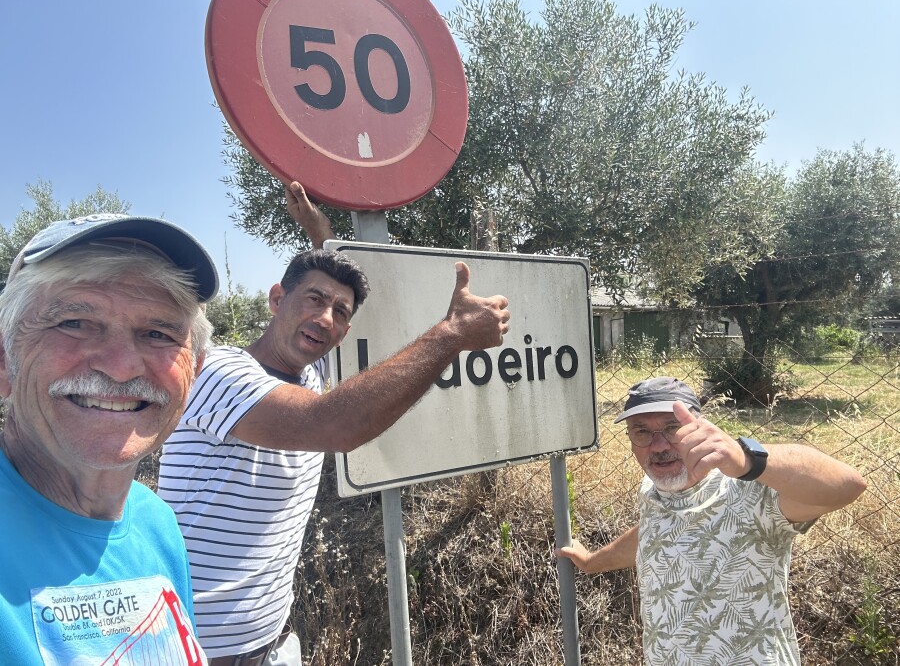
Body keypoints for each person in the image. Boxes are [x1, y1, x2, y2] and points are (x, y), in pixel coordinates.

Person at [157, 181, 511, 664]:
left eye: (339, 312)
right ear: (276, 298)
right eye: (312, 299)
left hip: (270, 636)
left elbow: (336, 310)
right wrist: (453, 334)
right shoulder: (218, 372)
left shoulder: (311, 371)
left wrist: (318, 229)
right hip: (194, 644)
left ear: (345, 332)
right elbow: (333, 426)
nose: (325, 318)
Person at [0, 214, 219, 665]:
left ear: (193, 372)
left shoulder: (155, 521)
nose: (121, 367)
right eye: (74, 322)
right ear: (4, 360)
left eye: (158, 334)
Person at [556, 376, 867, 666]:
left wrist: (747, 460)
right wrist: (592, 561)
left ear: (699, 428)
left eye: (672, 428)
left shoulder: (748, 490)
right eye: (642, 432)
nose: (659, 446)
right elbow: (655, 534)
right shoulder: (654, 488)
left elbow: (848, 486)